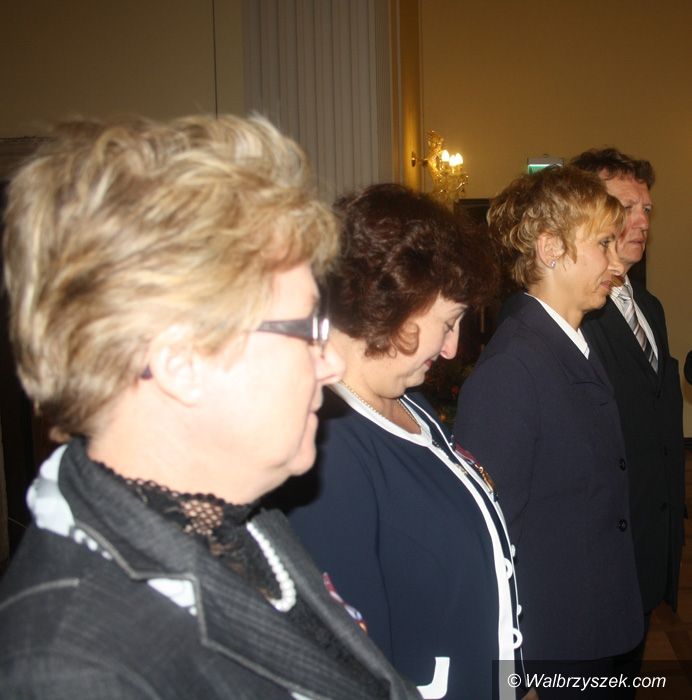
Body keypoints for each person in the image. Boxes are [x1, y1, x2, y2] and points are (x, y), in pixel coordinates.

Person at [0, 115, 422, 699]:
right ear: (181, 361)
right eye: (306, 328)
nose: (330, 364)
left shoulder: (234, 516)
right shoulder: (70, 668)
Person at [275, 184, 523, 700]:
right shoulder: (328, 451)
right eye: (448, 323)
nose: (452, 349)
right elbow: (355, 670)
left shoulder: (412, 405)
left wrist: (514, 685)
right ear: (397, 303)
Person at [453, 166, 644, 691]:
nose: (617, 264)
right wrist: (517, 673)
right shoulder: (513, 368)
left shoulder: (569, 342)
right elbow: (491, 539)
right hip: (554, 643)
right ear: (550, 248)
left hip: (594, 622)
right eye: (603, 244)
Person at [571, 147, 686, 682]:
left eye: (647, 210)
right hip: (598, 558)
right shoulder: (574, 315)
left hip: (647, 542)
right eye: (626, 208)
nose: (641, 222)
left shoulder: (651, 307)